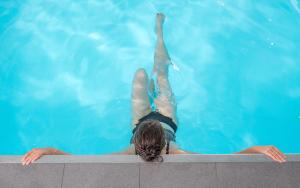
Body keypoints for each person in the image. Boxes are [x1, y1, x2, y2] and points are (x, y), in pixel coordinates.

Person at [22, 13, 287, 165]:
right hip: (167, 116)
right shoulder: (174, 150)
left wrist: (47, 150)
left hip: (140, 116)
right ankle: (160, 38)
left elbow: (81, 160)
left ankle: (158, 35)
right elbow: (225, 158)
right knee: (160, 73)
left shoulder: (130, 151)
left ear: (136, 141)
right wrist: (257, 149)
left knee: (139, 77)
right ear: (162, 142)